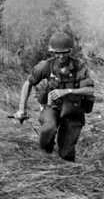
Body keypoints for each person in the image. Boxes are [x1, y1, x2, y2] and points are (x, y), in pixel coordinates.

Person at [13, 31, 95, 162]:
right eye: (57, 53)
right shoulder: (46, 65)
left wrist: (68, 91)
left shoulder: (79, 66)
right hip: (52, 106)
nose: (61, 56)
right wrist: (21, 109)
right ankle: (47, 156)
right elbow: (28, 83)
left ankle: (66, 173)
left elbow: (89, 90)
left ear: (70, 51)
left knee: (67, 153)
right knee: (48, 129)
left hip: (73, 109)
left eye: (64, 53)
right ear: (52, 52)